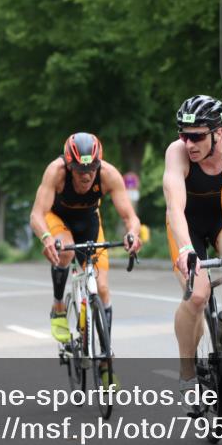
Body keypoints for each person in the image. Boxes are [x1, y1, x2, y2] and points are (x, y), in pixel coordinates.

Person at [29, 132, 142, 373]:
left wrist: (132, 234)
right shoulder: (56, 172)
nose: (87, 175)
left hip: (89, 222)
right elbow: (36, 215)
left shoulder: (108, 174)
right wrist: (46, 238)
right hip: (57, 219)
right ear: (70, 166)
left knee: (102, 288)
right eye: (80, 169)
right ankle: (58, 306)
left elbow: (130, 217)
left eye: (91, 168)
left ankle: (105, 361)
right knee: (65, 250)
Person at [163, 95, 222, 412]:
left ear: (218, 132)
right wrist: (186, 249)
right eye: (184, 135)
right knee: (198, 294)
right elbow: (175, 207)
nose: (189, 143)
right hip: (187, 226)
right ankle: (187, 374)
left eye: (197, 136)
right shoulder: (178, 153)